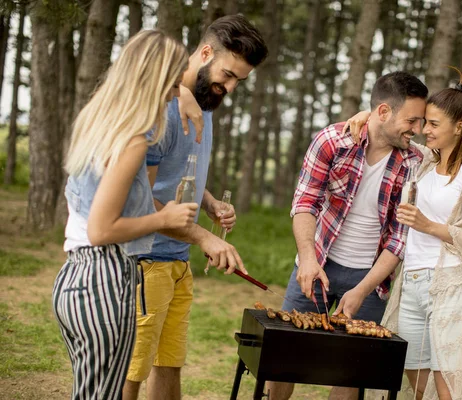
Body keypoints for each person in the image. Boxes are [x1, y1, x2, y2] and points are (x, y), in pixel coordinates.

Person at [122, 15, 268, 400]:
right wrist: (205, 237)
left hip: (176, 259)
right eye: (228, 75)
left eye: (239, 81)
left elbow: (176, 176)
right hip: (143, 260)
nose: (231, 88)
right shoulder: (160, 109)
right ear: (205, 53)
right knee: (130, 371)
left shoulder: (204, 103)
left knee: (169, 364)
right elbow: (140, 200)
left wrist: (209, 203)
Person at [52, 30, 199, 400]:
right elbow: (103, 229)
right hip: (106, 278)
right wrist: (164, 220)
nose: (178, 88)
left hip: (74, 278)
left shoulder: (99, 121)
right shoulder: (133, 139)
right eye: (176, 78)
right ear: (157, 76)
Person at [266, 71, 428, 400]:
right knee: (284, 357)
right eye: (412, 121)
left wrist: (363, 289)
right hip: (317, 263)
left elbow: (400, 238)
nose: (418, 130)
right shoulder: (332, 141)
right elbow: (304, 203)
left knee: (352, 370)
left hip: (371, 278)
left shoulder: (415, 161)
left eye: (422, 122)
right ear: (383, 112)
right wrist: (308, 262)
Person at [346, 71, 462, 400]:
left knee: (447, 383)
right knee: (417, 380)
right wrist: (367, 115)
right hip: (412, 284)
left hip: (450, 286)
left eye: (433, 124)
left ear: (459, 127)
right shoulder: (425, 162)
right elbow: (392, 130)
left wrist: (429, 226)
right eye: (424, 122)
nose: (423, 130)